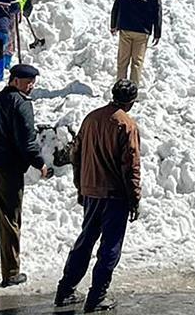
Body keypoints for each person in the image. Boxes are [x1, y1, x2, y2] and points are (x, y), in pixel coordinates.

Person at [54, 80, 141, 312]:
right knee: (110, 247)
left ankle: (65, 289)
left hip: (91, 191)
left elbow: (76, 153)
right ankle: (97, 296)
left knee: (85, 241)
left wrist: (80, 186)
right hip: (115, 196)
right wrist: (134, 198)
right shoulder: (127, 124)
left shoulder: (91, 118)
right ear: (131, 101)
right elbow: (130, 164)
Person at [0, 63, 51, 288]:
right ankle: (11, 273)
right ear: (15, 81)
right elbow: (26, 140)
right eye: (28, 81)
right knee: (9, 221)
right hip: (6, 169)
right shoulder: (21, 104)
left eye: (33, 81)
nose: (31, 85)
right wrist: (40, 164)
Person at [111, 0, 162, 86]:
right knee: (137, 63)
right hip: (142, 32)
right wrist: (157, 33)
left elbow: (116, 6)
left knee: (122, 61)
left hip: (126, 29)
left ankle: (120, 88)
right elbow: (158, 15)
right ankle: (132, 91)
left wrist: (113, 24)